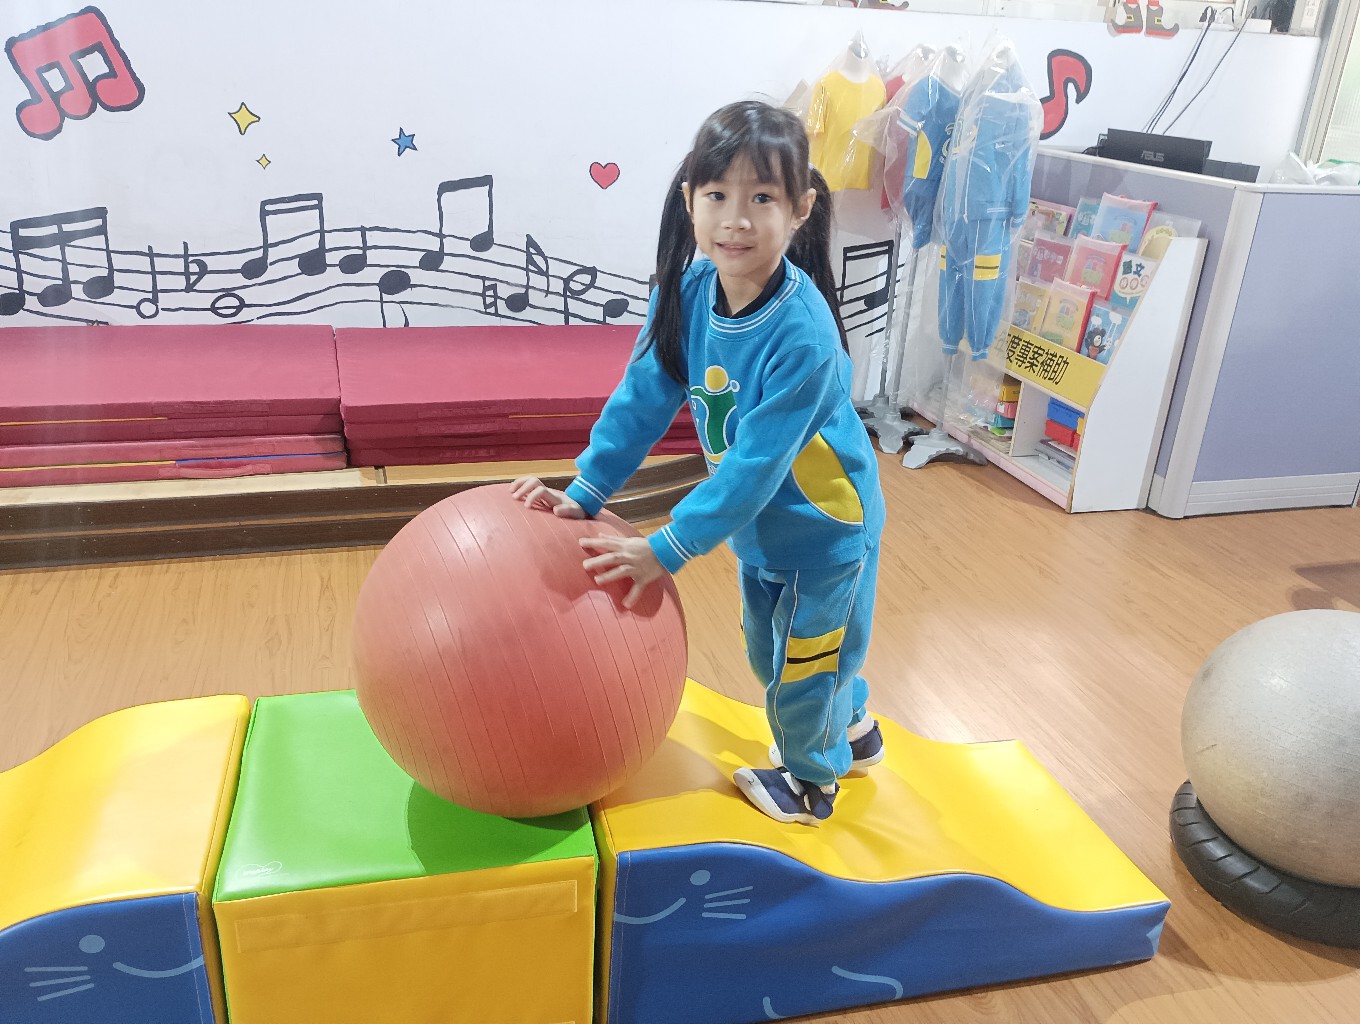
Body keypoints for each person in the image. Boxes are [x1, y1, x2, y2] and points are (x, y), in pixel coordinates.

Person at [511, 100, 885, 826]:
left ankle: (814, 782)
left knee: (801, 667)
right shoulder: (686, 295)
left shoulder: (804, 336)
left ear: (801, 209)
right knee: (768, 652)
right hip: (759, 531)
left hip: (824, 532)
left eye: (762, 198)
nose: (735, 220)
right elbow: (641, 399)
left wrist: (667, 549)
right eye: (717, 195)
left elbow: (756, 465)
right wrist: (587, 489)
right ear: (690, 200)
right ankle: (854, 723)